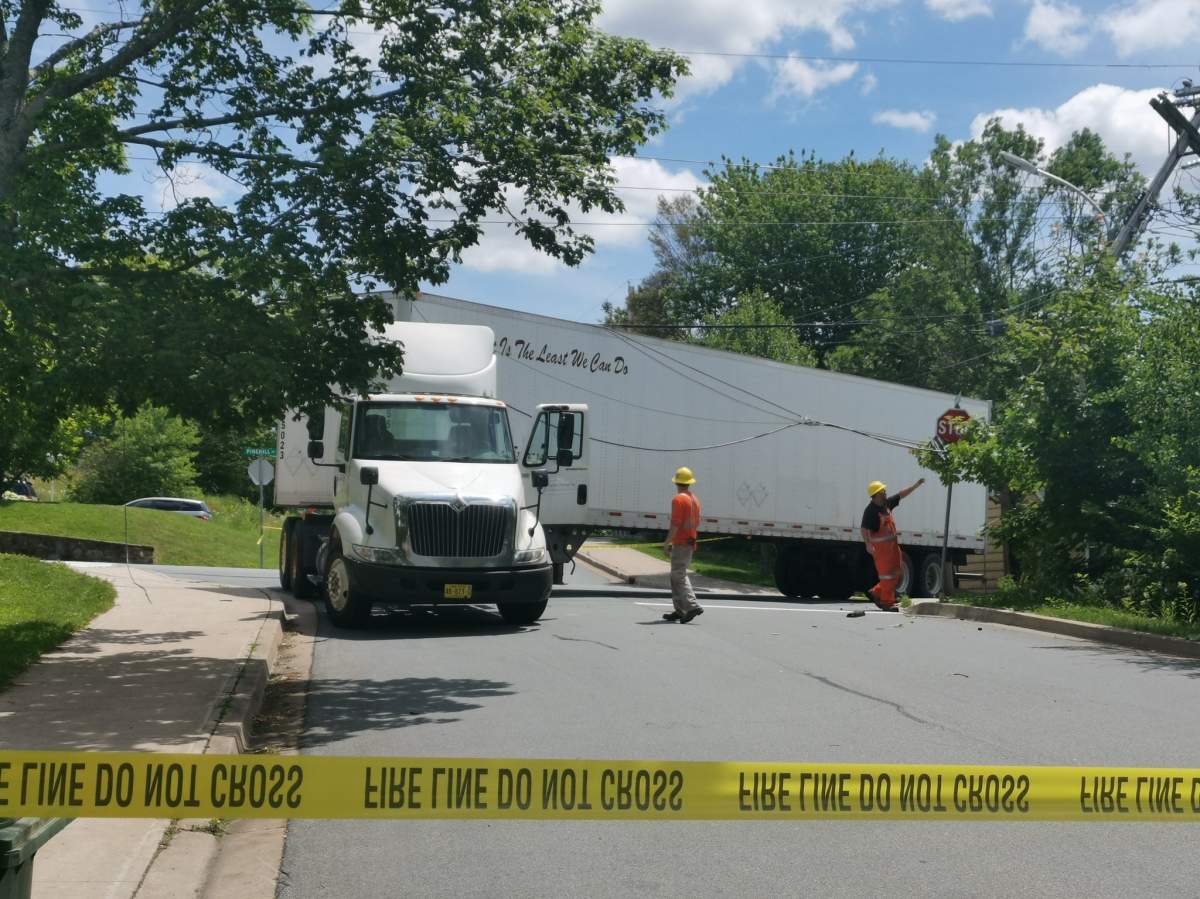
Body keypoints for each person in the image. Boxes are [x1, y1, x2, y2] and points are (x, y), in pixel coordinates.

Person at [860, 477, 925, 611]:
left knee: (897, 572)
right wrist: (867, 544)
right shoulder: (870, 510)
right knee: (887, 575)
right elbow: (864, 528)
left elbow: (901, 494)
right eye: (883, 491)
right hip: (882, 550)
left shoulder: (886, 504)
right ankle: (887, 603)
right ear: (877, 494)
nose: (885, 492)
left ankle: (877, 591)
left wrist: (915, 485)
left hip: (893, 548)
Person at [662, 467, 704, 623]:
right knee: (675, 576)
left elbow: (675, 524)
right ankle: (679, 610)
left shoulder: (678, 499)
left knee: (678, 575)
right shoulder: (694, 499)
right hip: (690, 541)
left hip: (681, 543)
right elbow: (696, 522)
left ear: (677, 482)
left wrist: (667, 543)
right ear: (689, 482)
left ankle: (692, 606)